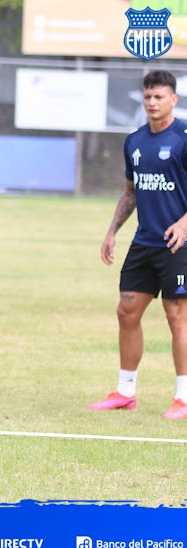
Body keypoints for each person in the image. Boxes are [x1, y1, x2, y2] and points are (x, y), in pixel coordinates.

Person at [89, 69, 187, 420]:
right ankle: (125, 391)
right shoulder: (134, 141)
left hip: (179, 245)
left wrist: (183, 222)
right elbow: (130, 192)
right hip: (144, 243)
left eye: (159, 97)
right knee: (126, 311)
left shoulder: (184, 137)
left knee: (177, 316)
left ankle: (184, 397)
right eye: (147, 96)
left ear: (173, 99)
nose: (152, 102)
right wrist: (112, 230)